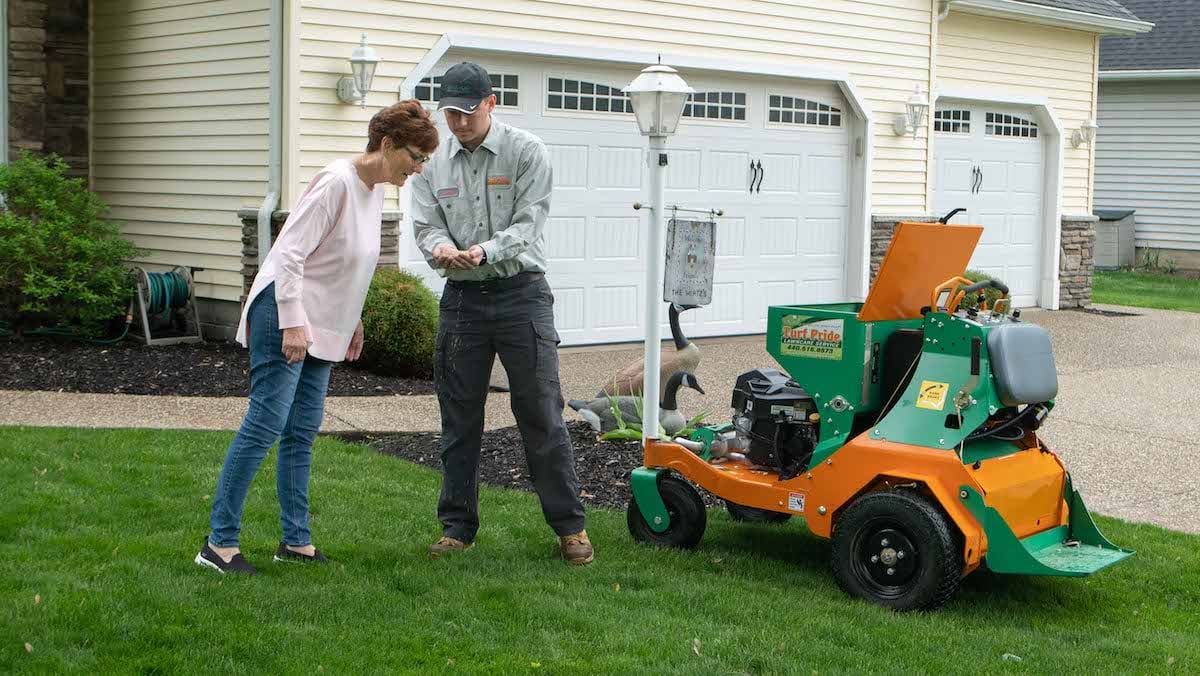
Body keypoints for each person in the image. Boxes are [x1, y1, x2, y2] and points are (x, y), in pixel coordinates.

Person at [195, 101, 439, 574]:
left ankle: (295, 542)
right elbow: (288, 254)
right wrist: (292, 321)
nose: (419, 167)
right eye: (416, 156)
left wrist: (354, 319)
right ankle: (218, 544)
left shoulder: (376, 190)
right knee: (265, 423)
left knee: (302, 431)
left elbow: (350, 264)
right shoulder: (337, 181)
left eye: (425, 160)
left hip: (323, 320)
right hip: (284, 313)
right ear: (386, 145)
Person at [411, 62, 592, 565]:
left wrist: (485, 251)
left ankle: (570, 528)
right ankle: (456, 529)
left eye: (469, 112)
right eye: (451, 113)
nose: (460, 123)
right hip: (463, 302)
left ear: (492, 103)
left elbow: (530, 222)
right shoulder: (431, 163)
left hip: (522, 295)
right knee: (458, 419)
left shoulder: (527, 152)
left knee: (540, 413)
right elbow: (425, 226)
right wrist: (442, 248)